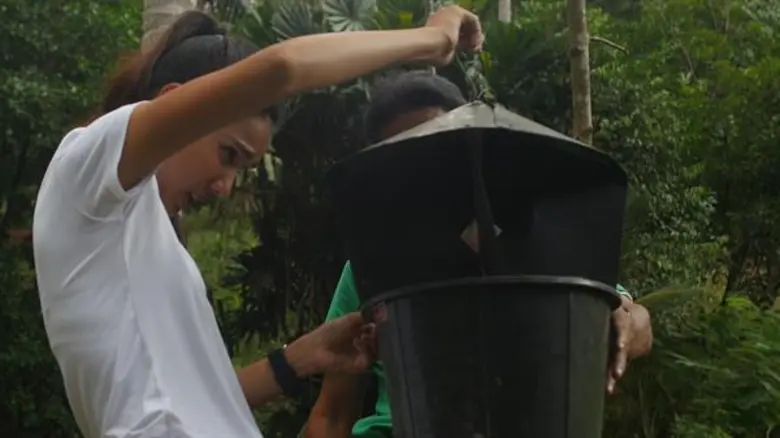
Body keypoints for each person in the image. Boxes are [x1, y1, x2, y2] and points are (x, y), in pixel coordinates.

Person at [31, 7, 484, 438]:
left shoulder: (148, 241)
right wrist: (432, 39)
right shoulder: (88, 167)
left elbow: (198, 401)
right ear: (176, 101)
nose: (224, 187)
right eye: (228, 154)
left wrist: (300, 358)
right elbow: (283, 68)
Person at [302, 72, 654, 438]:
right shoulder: (372, 265)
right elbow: (333, 414)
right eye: (406, 156)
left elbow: (639, 325)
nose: (424, 170)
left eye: (436, 147)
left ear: (468, 145)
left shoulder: (531, 237)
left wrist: (627, 318)